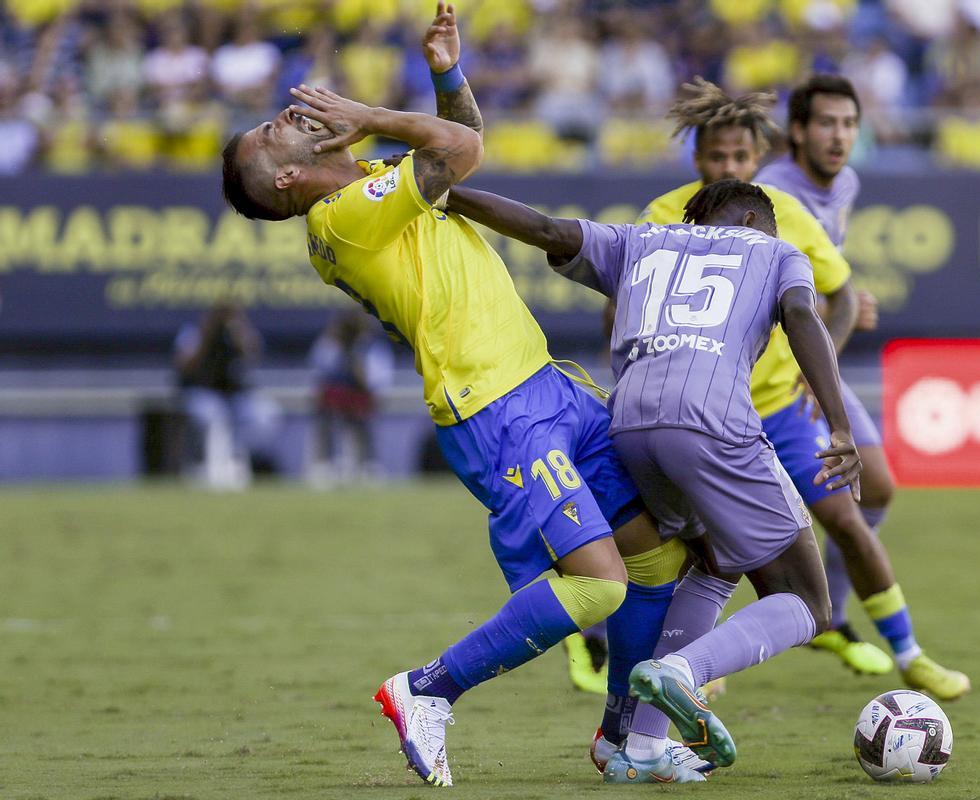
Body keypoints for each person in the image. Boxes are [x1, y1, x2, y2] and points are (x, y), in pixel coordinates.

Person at [219, 4, 696, 786]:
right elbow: (463, 151)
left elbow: (460, 134)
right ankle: (429, 689)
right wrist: (372, 113)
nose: (282, 121)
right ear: (286, 180)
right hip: (492, 408)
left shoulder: (374, 183)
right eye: (271, 135)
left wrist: (446, 70)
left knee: (656, 560)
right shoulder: (342, 219)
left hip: (545, 384)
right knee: (601, 581)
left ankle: (624, 741)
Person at [446, 178, 862, 782]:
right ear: (753, 216)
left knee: (713, 563)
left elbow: (546, 229)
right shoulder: (776, 252)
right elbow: (801, 312)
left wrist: (450, 194)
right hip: (712, 419)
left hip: (630, 425)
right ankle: (685, 673)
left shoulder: (642, 241)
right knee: (807, 600)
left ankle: (640, 746)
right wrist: (841, 424)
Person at [756, 74, 970, 698]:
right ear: (797, 131)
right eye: (826, 123)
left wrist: (834, 313)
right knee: (722, 528)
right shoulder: (771, 193)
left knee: (876, 485)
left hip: (811, 366)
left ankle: (833, 613)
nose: (840, 135)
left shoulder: (845, 183)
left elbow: (823, 281)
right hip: (770, 373)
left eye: (849, 124)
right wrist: (820, 317)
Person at [174, 301, 280, 490]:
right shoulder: (194, 334)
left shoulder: (240, 333)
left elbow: (254, 355)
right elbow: (184, 366)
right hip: (204, 393)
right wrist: (208, 334)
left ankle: (239, 461)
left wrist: (238, 331)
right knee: (214, 414)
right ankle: (214, 466)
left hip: (236, 395)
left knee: (266, 414)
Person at [308, 308, 394, 486]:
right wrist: (339, 348)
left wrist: (356, 358)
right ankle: (325, 464)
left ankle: (369, 464)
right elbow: (320, 374)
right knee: (325, 410)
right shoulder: (329, 344)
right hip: (336, 399)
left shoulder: (372, 347)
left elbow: (376, 382)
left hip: (360, 399)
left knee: (365, 413)